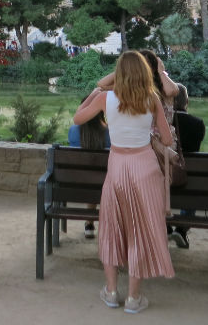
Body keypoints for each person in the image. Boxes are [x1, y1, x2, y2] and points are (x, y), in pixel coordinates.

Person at [76, 50, 174, 314]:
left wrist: (97, 94)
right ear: (144, 73)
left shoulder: (105, 98)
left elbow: (77, 118)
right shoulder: (151, 99)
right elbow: (167, 140)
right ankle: (133, 297)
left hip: (117, 167)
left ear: (118, 74)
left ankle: (110, 292)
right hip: (144, 167)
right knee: (138, 229)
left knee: (112, 227)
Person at [168, 83, 206, 248]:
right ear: (186, 102)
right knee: (194, 186)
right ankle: (182, 230)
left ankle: (165, 226)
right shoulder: (197, 124)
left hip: (164, 181)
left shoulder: (161, 121)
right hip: (187, 183)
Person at [68, 94, 110, 239]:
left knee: (90, 177)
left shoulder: (73, 131)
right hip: (105, 185)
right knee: (99, 178)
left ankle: (89, 224)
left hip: (76, 185)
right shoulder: (109, 133)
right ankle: (99, 225)